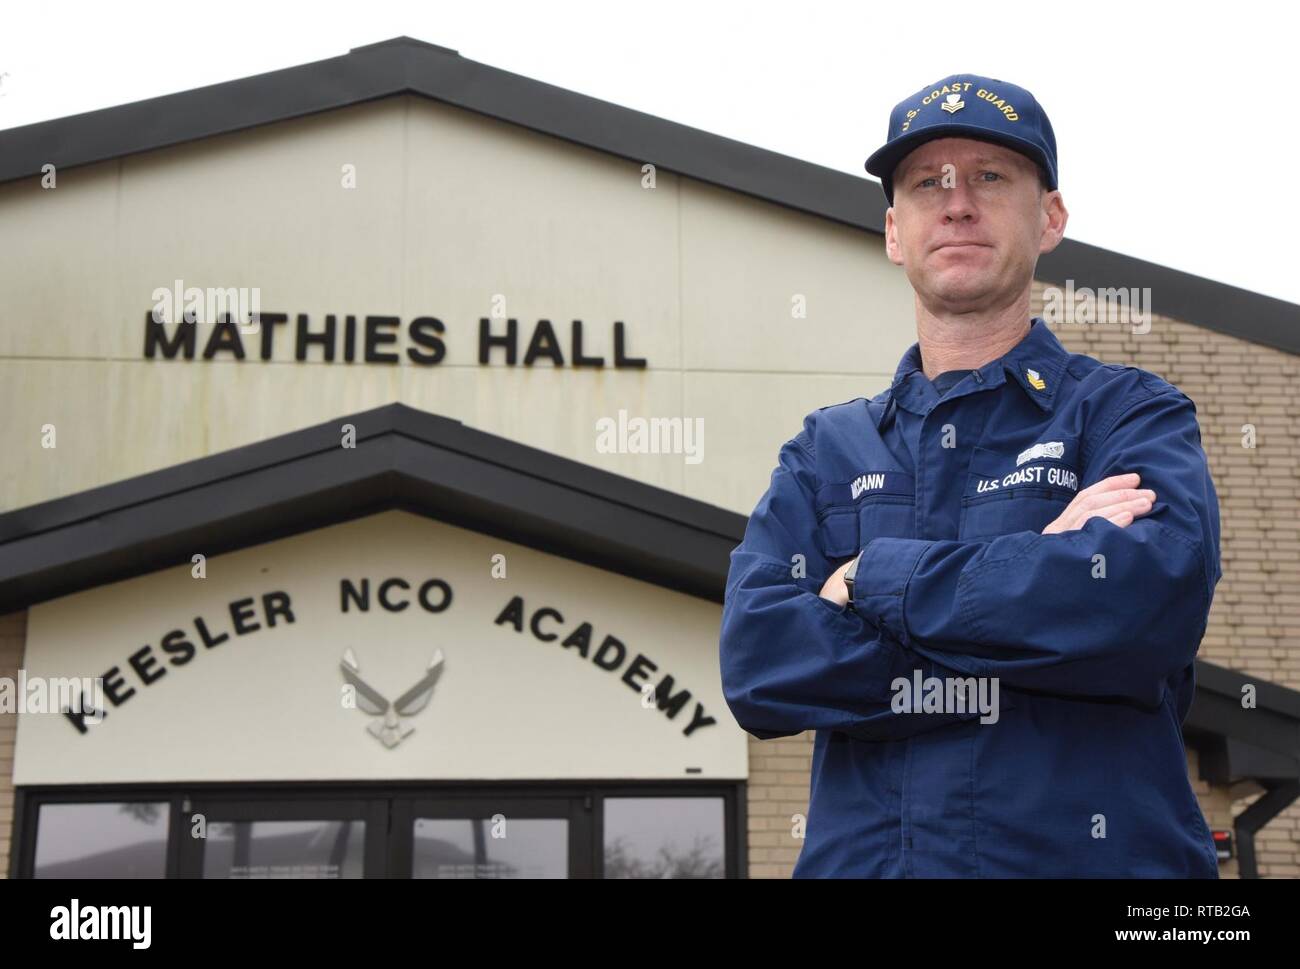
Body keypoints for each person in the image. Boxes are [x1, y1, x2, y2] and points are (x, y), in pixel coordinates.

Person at [718, 73, 1221, 877]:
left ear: (1050, 216)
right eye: (928, 183)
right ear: (893, 229)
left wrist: (871, 578)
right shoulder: (825, 453)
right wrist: (1041, 586)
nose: (957, 202)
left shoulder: (1129, 414)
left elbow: (1141, 606)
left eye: (990, 175)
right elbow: (761, 666)